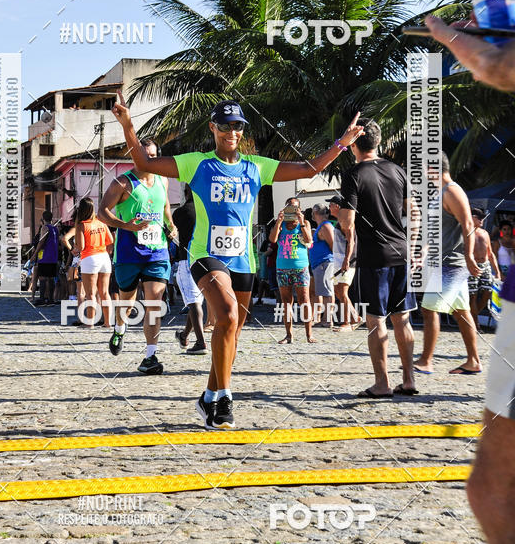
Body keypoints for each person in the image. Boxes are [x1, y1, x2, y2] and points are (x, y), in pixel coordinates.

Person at [112, 93, 363, 429]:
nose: (232, 131)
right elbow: (144, 163)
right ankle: (225, 398)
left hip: (243, 260)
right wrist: (128, 125)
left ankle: (208, 396)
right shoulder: (197, 163)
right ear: (213, 128)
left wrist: (342, 143)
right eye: (226, 125)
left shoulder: (256, 166)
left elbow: (308, 168)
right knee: (227, 315)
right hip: (206, 255)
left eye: (238, 126)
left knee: (232, 331)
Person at [425, 13, 515, 544]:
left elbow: (495, 65)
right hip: (458, 266)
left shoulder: (451, 188)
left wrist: (450, 36)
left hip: (461, 264)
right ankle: (461, 357)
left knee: (495, 491)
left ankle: (453, 357)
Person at [338, 118, 418, 398]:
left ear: (354, 145)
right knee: (403, 319)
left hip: (374, 256)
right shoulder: (398, 170)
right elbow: (414, 213)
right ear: (379, 142)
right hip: (401, 252)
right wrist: (412, 246)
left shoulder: (353, 174)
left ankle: (382, 384)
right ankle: (409, 380)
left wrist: (344, 221)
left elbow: (347, 222)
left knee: (376, 321)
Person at [98, 138, 177, 374]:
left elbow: (165, 208)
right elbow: (102, 212)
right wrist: (126, 225)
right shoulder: (122, 183)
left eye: (153, 155)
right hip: (129, 253)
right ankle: (119, 328)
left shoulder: (162, 180)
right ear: (134, 156)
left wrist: (171, 225)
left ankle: (150, 356)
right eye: (145, 155)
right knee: (127, 303)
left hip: (157, 252)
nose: (150, 159)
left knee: (154, 302)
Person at [414, 154, 483, 376]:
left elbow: (468, 223)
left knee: (428, 309)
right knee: (461, 312)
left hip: (452, 263)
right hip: (445, 262)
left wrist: (469, 255)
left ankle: (426, 360)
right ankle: (473, 361)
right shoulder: (439, 193)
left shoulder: (452, 191)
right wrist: (423, 253)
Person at [269, 198, 313, 343]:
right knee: (286, 302)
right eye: (289, 206)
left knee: (304, 300)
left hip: (300, 267)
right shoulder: (281, 224)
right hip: (283, 267)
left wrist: (301, 222)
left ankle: (309, 334)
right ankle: (289, 335)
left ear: (299, 209)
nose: (291, 209)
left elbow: (308, 240)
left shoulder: (304, 223)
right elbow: (273, 239)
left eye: (294, 207)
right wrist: (278, 221)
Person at [173, 184, 207, 355]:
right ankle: (184, 335)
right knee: (196, 302)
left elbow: (170, 231)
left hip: (187, 259)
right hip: (207, 260)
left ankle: (201, 342)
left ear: (186, 193)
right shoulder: (207, 211)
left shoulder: (180, 212)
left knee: (193, 303)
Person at [74, 198, 113, 329]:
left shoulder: (82, 225)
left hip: (90, 258)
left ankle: (90, 322)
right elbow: (110, 240)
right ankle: (107, 322)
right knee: (105, 292)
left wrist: (75, 246)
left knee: (90, 294)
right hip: (104, 257)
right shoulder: (101, 222)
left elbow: (81, 246)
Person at [328, 195, 361, 332]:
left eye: (330, 205)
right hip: (338, 260)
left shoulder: (346, 221)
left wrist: (346, 260)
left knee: (342, 292)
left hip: (345, 261)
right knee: (338, 291)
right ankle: (351, 319)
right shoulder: (339, 221)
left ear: (337, 206)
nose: (329, 207)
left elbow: (351, 242)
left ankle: (352, 320)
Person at [468, 207, 500, 326]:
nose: (482, 220)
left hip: (485, 265)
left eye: (483, 218)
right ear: (471, 218)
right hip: (472, 265)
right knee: (473, 295)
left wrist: (497, 271)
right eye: (479, 218)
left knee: (488, 291)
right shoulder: (465, 232)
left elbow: (490, 253)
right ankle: (475, 324)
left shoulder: (485, 233)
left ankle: (473, 316)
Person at [309, 204, 335, 328]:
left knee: (327, 291)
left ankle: (328, 320)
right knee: (323, 291)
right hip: (320, 263)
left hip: (325, 262)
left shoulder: (325, 226)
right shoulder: (321, 226)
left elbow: (333, 245)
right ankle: (324, 318)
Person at [31, 211, 60, 306]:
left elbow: (41, 241)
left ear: (43, 218)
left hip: (45, 256)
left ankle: (42, 299)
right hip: (53, 256)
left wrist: (34, 254)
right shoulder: (55, 229)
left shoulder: (45, 227)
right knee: (51, 278)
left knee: (42, 277)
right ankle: (51, 299)